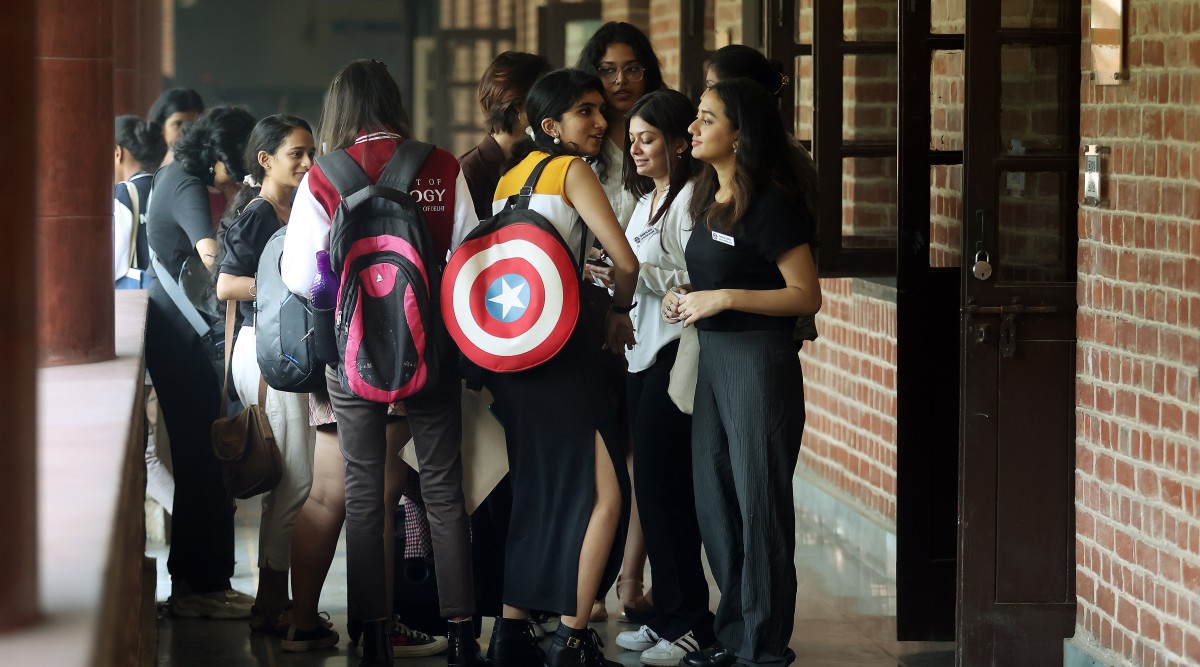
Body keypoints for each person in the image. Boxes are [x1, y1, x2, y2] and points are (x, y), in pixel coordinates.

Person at [279, 58, 483, 667]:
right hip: (434, 350)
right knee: (444, 491)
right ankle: (465, 634)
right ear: (394, 103)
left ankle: (372, 634)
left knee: (365, 495)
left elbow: (299, 276)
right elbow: (470, 254)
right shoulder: (443, 166)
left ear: (340, 110)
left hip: (354, 355)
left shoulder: (324, 176)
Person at [478, 68, 637, 667]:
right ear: (551, 125)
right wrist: (619, 310)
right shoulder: (572, 171)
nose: (600, 123)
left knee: (536, 489)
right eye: (586, 112)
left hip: (513, 353)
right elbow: (625, 260)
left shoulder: (507, 177)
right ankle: (574, 635)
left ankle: (511, 630)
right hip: (567, 349)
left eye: (601, 111)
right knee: (605, 494)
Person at [661, 79, 822, 667]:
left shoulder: (771, 202)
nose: (694, 129)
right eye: (696, 119)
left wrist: (724, 298)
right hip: (713, 361)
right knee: (715, 499)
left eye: (707, 119)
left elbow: (807, 295)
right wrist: (685, 296)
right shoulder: (707, 194)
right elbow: (712, 279)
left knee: (760, 502)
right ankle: (736, 631)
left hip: (760, 363)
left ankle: (763, 642)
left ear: (740, 132)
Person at [609, 89, 714, 667]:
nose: (637, 149)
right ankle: (667, 614)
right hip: (639, 353)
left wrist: (632, 269)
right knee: (650, 488)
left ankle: (691, 620)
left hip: (676, 353)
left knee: (668, 490)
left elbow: (691, 275)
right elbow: (639, 274)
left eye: (648, 138)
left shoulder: (694, 195)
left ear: (679, 142)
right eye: (633, 140)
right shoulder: (643, 199)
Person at [144, 105, 256, 619]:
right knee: (201, 461)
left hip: (174, 338)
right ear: (214, 156)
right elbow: (211, 258)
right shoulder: (188, 186)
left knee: (203, 460)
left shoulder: (173, 176)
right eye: (233, 168)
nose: (235, 180)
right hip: (184, 343)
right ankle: (197, 588)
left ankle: (206, 580)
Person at [214, 114, 322, 641]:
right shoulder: (260, 213)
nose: (307, 162)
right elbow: (226, 286)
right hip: (264, 354)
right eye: (296, 154)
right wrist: (284, 286)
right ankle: (272, 602)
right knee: (298, 479)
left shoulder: (299, 207)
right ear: (266, 160)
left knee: (294, 477)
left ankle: (277, 600)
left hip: (286, 351)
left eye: (310, 153)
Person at [575, 19, 667, 623]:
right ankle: (599, 577)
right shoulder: (583, 147)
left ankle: (631, 578)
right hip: (594, 318)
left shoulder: (660, 131)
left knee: (645, 456)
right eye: (607, 69)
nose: (619, 80)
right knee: (603, 454)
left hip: (654, 312)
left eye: (631, 67)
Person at [704, 44, 820, 348]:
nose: (707, 98)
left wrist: (726, 295)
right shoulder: (723, 170)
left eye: (715, 88)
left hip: (767, 321)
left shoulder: (783, 161)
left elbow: (786, 242)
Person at [460, 50, 552, 221]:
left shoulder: (542, 160)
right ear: (518, 104)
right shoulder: (469, 172)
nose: (551, 106)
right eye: (544, 97)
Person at [114, 115, 166, 289]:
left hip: (139, 294)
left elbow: (116, 261)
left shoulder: (124, 192)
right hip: (170, 294)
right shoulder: (167, 187)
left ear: (117, 152)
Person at [148, 88, 205, 165]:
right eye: (178, 124)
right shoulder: (147, 163)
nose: (185, 131)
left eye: (192, 125)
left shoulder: (208, 166)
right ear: (161, 126)